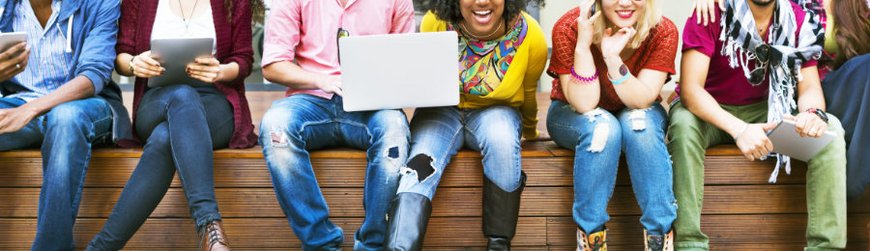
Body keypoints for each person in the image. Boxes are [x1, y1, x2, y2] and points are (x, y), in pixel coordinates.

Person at [669, 0, 848, 249]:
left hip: (769, 110)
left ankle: (825, 246)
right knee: (683, 123)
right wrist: (740, 129)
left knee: (830, 129)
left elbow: (808, 88)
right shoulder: (710, 12)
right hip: (709, 111)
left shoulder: (797, 18)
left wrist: (812, 113)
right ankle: (689, 243)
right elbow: (690, 91)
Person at [85, 0, 262, 250]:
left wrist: (221, 71)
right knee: (182, 95)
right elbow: (121, 55)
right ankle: (210, 225)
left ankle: (102, 247)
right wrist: (135, 64)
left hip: (214, 103)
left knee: (164, 138)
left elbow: (243, 59)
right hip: (157, 101)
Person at [382, 0, 547, 249]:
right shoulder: (435, 22)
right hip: (441, 113)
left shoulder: (530, 35)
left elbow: (529, 89)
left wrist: (531, 131)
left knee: (502, 139)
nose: (481, 1)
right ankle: (399, 246)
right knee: (419, 164)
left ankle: (499, 244)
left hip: (496, 112)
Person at [258, 0, 415, 250]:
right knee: (276, 126)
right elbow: (273, 65)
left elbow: (407, 60)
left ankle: (373, 244)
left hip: (370, 104)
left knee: (394, 128)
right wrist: (322, 80)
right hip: (311, 100)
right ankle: (320, 243)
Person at [546, 0, 678, 249]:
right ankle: (591, 239)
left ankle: (659, 239)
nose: (625, 2)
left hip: (635, 105)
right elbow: (584, 103)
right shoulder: (568, 27)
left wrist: (611, 58)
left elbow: (640, 99)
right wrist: (584, 46)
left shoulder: (663, 30)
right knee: (603, 129)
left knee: (641, 128)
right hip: (572, 110)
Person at [0, 0, 128, 249]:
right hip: (19, 104)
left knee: (64, 118)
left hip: (86, 105)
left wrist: (32, 109)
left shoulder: (100, 3)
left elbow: (93, 74)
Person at [819, 0, 870, 200]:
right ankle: (854, 177)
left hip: (859, 95)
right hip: (813, 92)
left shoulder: (857, 4)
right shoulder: (794, 4)